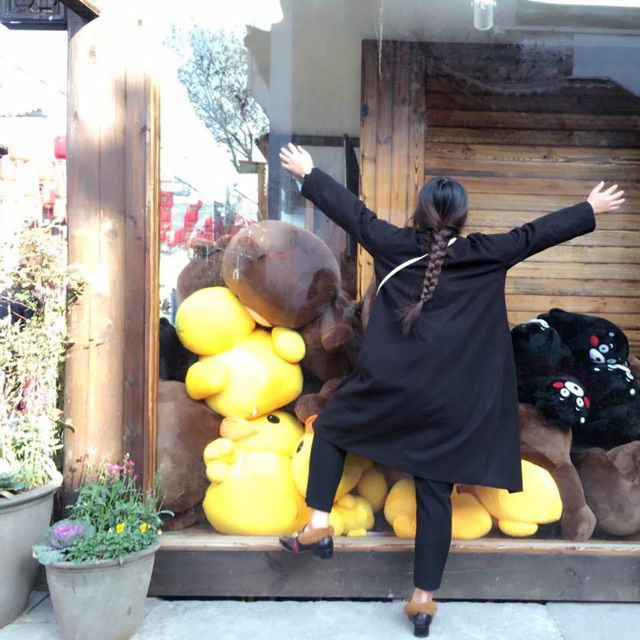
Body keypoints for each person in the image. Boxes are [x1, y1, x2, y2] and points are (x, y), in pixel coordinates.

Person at [277, 143, 624, 637]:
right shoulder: (488, 252)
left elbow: (352, 213)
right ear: (462, 218)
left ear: (419, 213)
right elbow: (536, 233)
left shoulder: (392, 242)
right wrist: (589, 208)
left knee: (330, 428)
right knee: (434, 494)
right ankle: (422, 603)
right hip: (453, 404)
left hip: (391, 391)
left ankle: (317, 524)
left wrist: (309, 173)